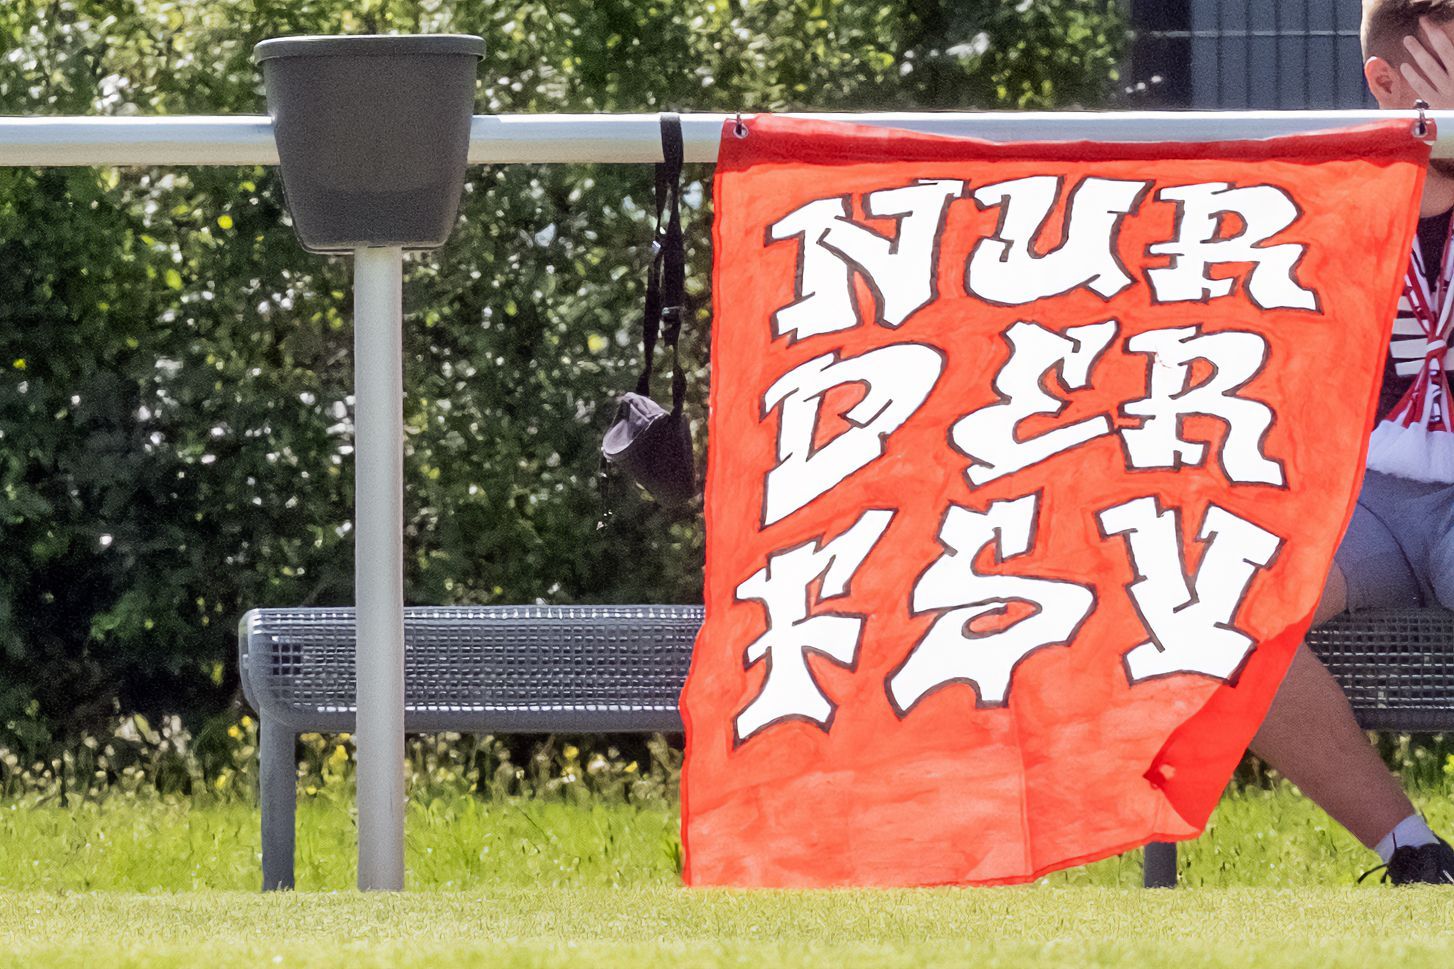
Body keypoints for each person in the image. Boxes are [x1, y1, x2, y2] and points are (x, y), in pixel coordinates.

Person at [1245, 0, 1454, 885]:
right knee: (1225, 614)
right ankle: (1414, 855)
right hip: (1356, 499)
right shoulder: (1321, 195)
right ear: (1387, 83)